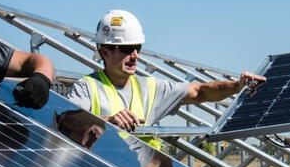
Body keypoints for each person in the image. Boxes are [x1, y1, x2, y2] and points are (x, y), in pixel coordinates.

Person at [66, 9, 266, 149]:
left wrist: (237, 85)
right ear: (104, 51)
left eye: (138, 48)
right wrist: (107, 121)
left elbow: (200, 91)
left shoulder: (151, 87)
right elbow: (67, 125)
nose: (135, 55)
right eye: (127, 49)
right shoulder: (87, 87)